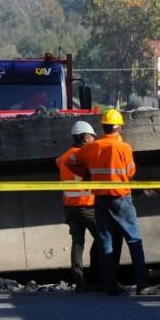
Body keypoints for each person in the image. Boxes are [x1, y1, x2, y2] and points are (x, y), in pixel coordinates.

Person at [70, 108, 157, 296]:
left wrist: (87, 175)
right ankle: (142, 284)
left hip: (100, 199)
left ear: (103, 127)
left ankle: (109, 284)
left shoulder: (91, 147)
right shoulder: (124, 147)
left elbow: (71, 161)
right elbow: (130, 172)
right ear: (118, 128)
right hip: (121, 198)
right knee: (134, 240)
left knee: (106, 242)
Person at [55, 120, 101, 292]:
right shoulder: (86, 156)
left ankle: (79, 282)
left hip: (70, 207)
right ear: (83, 137)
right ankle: (101, 278)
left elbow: (60, 163)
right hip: (87, 206)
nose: (93, 139)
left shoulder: (63, 157)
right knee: (104, 240)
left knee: (78, 243)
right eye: (91, 136)